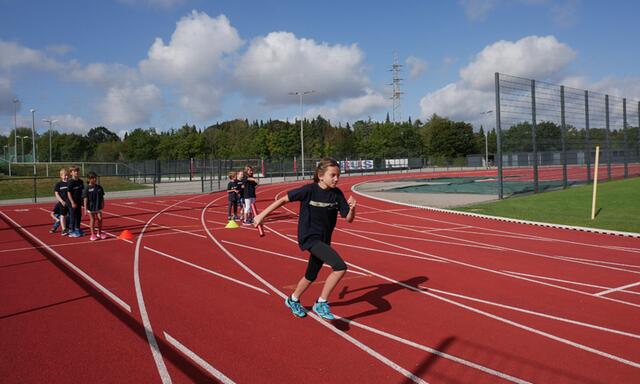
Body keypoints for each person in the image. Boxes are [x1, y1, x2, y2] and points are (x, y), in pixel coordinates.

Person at [253, 158, 356, 320]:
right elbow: (283, 199)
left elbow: (348, 218)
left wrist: (352, 209)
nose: (337, 178)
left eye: (338, 175)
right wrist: (261, 215)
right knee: (340, 266)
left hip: (324, 239)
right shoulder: (309, 190)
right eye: (333, 175)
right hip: (309, 237)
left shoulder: (337, 194)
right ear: (321, 176)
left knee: (311, 275)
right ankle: (321, 302)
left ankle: (292, 299)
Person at [83, 171, 106, 241]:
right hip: (91, 207)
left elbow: (102, 197)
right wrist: (85, 209)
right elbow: (85, 199)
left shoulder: (99, 187)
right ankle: (92, 235)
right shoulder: (87, 188)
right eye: (93, 178)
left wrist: (103, 203)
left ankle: (99, 233)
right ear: (89, 179)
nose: (95, 179)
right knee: (92, 220)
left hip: (98, 206)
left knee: (100, 219)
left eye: (95, 178)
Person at [66, 166, 84, 237]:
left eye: (77, 171)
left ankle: (77, 229)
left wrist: (82, 201)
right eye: (74, 171)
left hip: (78, 201)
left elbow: (82, 192)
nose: (76, 172)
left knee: (79, 215)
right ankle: (71, 230)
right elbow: (69, 193)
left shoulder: (80, 181)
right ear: (71, 173)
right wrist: (72, 202)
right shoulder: (71, 182)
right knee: (73, 216)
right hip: (71, 202)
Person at [53, 168, 70, 236]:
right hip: (62, 202)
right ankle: (64, 229)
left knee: (71, 215)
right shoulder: (59, 184)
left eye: (67, 175)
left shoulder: (70, 183)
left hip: (70, 202)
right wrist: (62, 201)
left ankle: (70, 227)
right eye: (64, 175)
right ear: (61, 176)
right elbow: (56, 194)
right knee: (63, 215)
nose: (66, 177)